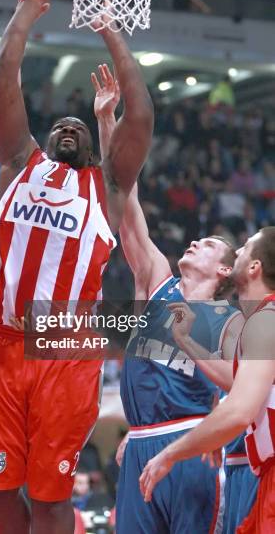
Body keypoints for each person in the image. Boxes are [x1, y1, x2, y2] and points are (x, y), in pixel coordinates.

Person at [0, 0, 153, 534]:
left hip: (63, 348)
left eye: (80, 126)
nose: (69, 126)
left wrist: (111, 31)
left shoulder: (107, 189)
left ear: (95, 150)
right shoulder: (19, 164)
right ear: (40, 142)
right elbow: (1, 77)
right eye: (59, 125)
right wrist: (28, 8)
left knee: (49, 501)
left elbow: (140, 115)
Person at [91, 65, 243, 533]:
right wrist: (106, 123)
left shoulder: (230, 320)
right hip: (138, 442)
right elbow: (125, 192)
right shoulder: (156, 281)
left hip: (192, 445)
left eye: (210, 244)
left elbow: (244, 391)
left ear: (225, 271)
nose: (196, 242)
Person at [140, 227, 275, 533]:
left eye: (244, 247)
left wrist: (172, 452)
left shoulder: (266, 319)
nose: (237, 251)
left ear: (255, 267)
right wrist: (185, 339)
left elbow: (239, 410)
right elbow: (240, 385)